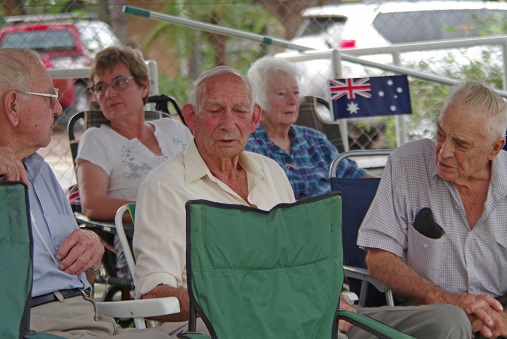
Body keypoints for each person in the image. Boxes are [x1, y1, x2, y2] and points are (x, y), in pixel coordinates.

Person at [133, 66, 471, 338]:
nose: (227, 123)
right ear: (191, 118)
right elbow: (155, 295)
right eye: (214, 111)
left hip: (310, 315)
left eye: (239, 111)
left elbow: (301, 261)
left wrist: (331, 296)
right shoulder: (165, 187)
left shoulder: (271, 172)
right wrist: (247, 304)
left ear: (253, 120)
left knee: (446, 320)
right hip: (225, 326)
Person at [0, 48, 178, 338]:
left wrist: (93, 251)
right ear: (13, 106)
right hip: (33, 323)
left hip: (91, 318)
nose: (58, 110)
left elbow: (84, 273)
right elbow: (94, 206)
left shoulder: (41, 171)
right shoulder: (96, 140)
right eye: (50, 98)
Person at [357, 80, 507, 338]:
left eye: (461, 144)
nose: (444, 152)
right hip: (430, 312)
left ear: (494, 148)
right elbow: (379, 257)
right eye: (440, 134)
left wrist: (501, 319)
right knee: (448, 322)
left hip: (499, 311)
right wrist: (441, 298)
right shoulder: (407, 164)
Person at [76, 46, 192, 276]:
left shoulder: (173, 129)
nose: (109, 93)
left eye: (119, 82)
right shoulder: (97, 140)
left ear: (144, 86)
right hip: (143, 237)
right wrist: (154, 211)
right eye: (100, 87)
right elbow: (93, 204)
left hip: (197, 226)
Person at [245, 56, 372, 200]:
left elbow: (354, 175)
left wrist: (395, 186)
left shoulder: (315, 140)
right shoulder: (249, 147)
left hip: (331, 220)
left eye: (296, 92)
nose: (293, 101)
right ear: (259, 102)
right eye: (282, 94)